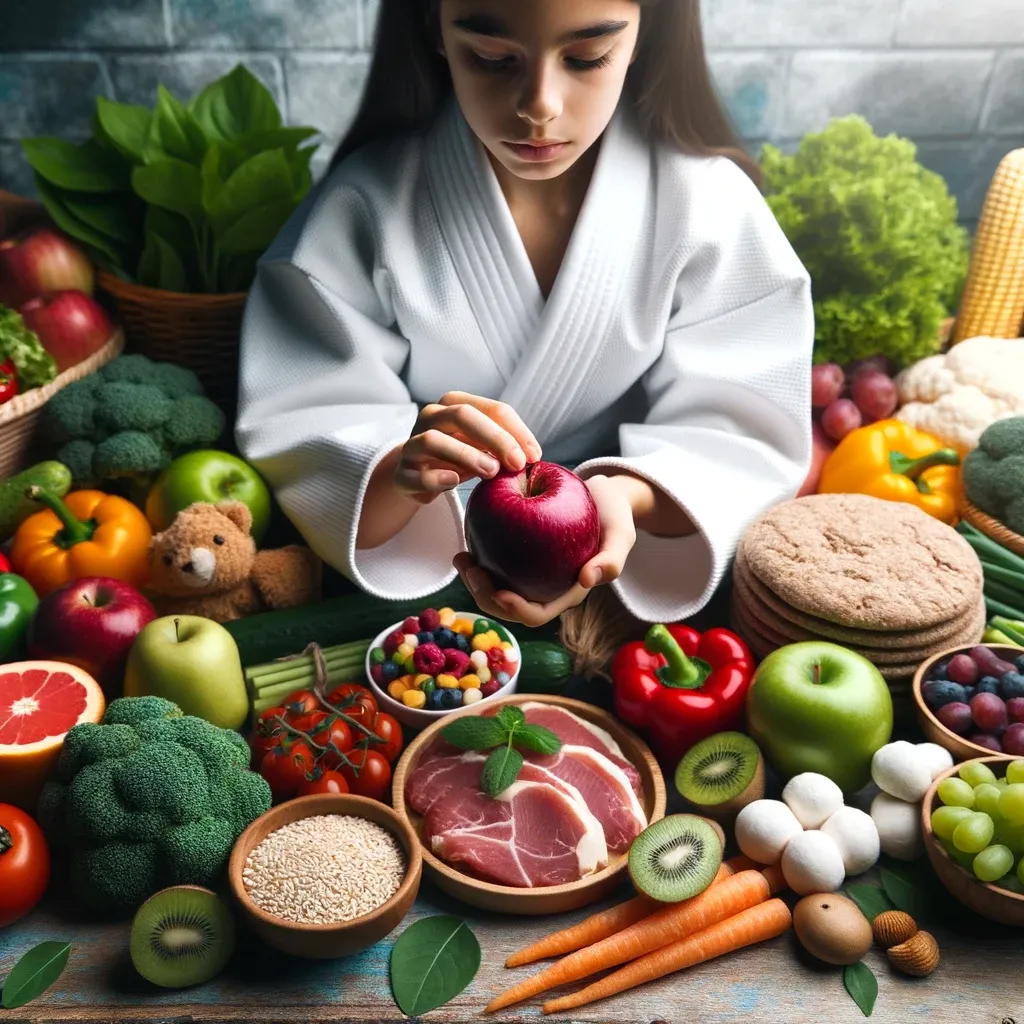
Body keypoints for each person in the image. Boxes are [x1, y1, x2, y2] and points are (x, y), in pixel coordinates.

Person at [234, 0, 814, 630]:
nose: (540, 104)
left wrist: (625, 495)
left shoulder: (708, 206)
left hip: (627, 592)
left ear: (648, 32)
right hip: (424, 589)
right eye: (491, 58)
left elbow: (743, 428)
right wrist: (399, 474)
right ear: (434, 29)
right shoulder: (364, 206)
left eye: (589, 56)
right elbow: (304, 417)